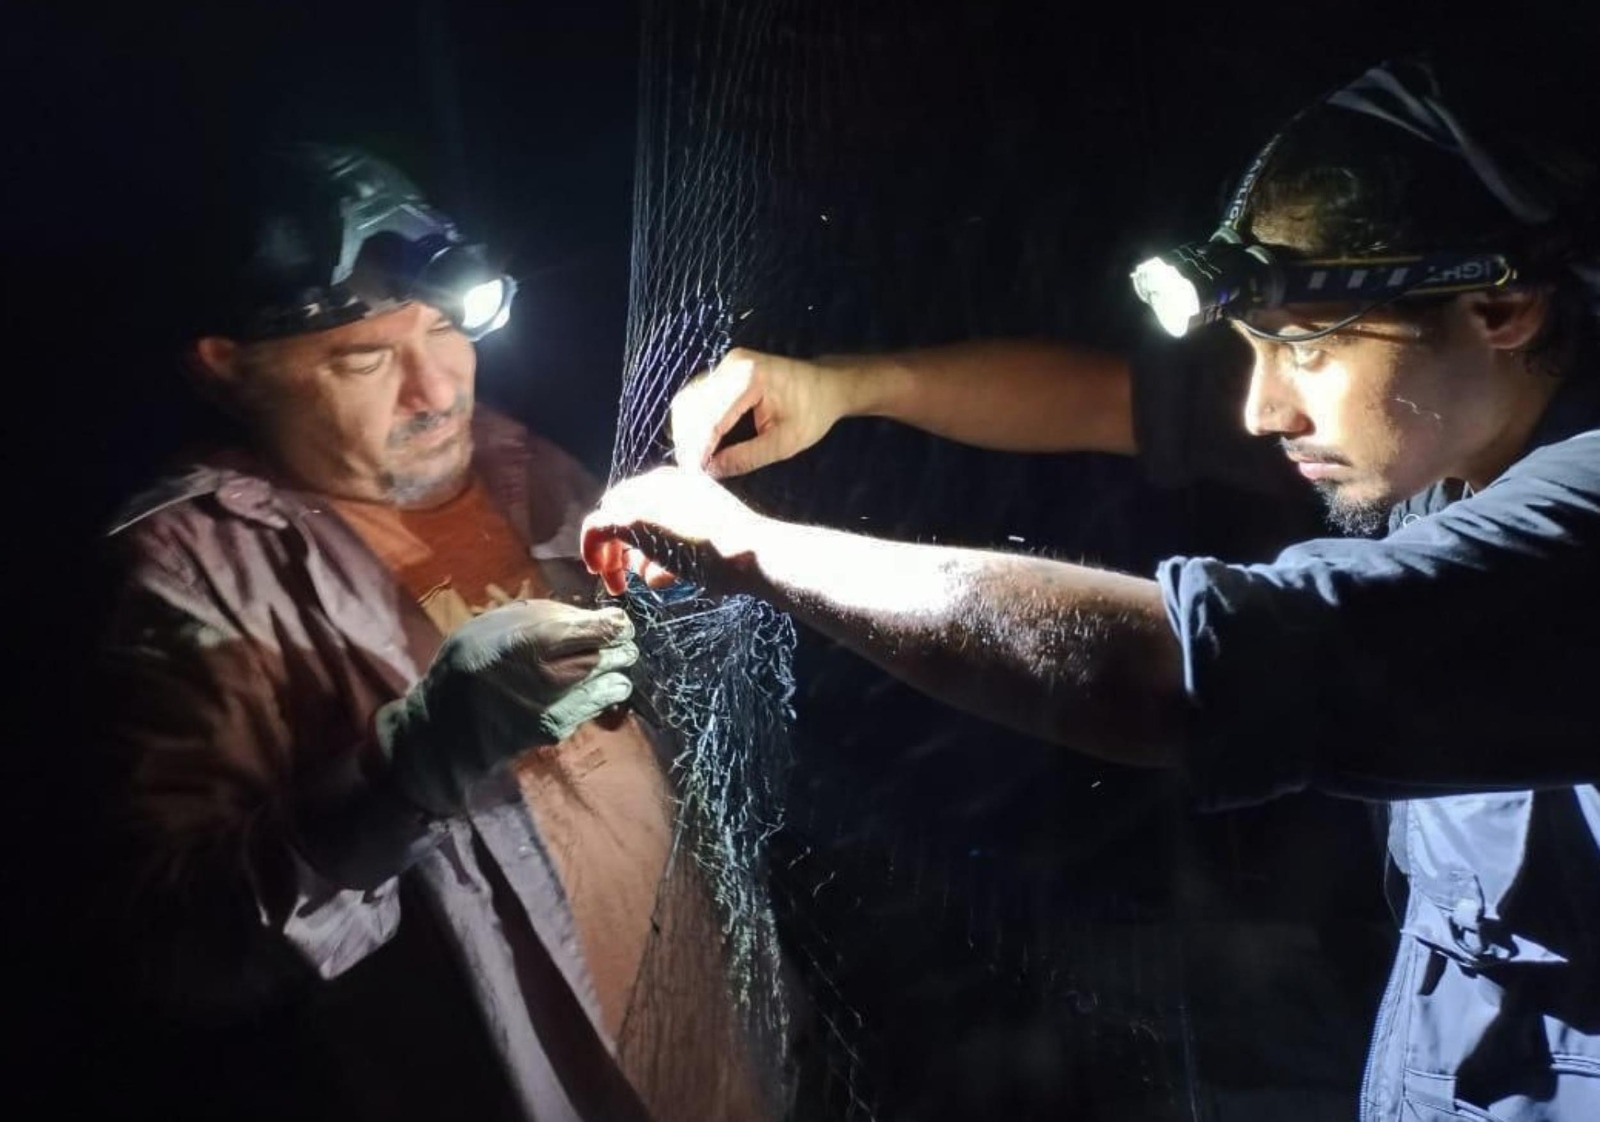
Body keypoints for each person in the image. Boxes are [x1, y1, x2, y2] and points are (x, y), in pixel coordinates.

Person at [584, 55, 1600, 1120]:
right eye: (1254, 347)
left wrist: (753, 552)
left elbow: (1171, 671)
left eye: (1304, 349)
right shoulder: (1445, 425)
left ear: (1501, 310)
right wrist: (847, 388)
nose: (1263, 411)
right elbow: (1114, 399)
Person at [94, 144, 766, 1122]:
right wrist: (409, 765)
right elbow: (182, 957)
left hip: (721, 1054)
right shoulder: (192, 574)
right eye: (365, 358)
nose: (439, 388)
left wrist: (690, 599)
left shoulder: (514, 458)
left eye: (451, 327)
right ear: (227, 369)